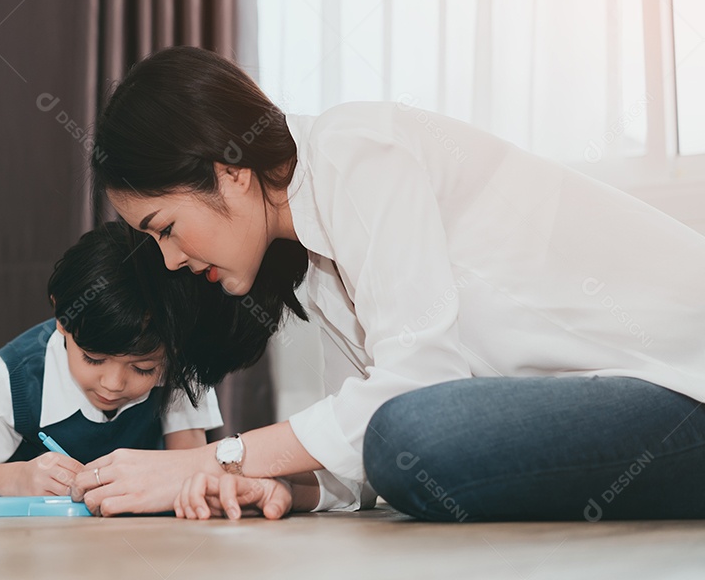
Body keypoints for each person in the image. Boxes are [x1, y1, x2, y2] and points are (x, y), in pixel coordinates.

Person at [72, 45, 705, 522]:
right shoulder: (320, 267)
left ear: (229, 172)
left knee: (417, 435)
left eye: (166, 228)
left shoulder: (356, 150)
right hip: (631, 405)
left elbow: (413, 396)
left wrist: (205, 458)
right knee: (406, 440)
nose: (171, 260)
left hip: (682, 381)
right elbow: (361, 464)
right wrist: (279, 487)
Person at [0, 222, 223, 506]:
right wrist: (17, 478)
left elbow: (187, 463)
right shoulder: (10, 377)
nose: (112, 383)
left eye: (143, 368)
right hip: (1, 460)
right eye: (93, 359)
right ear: (62, 320)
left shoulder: (180, 365)